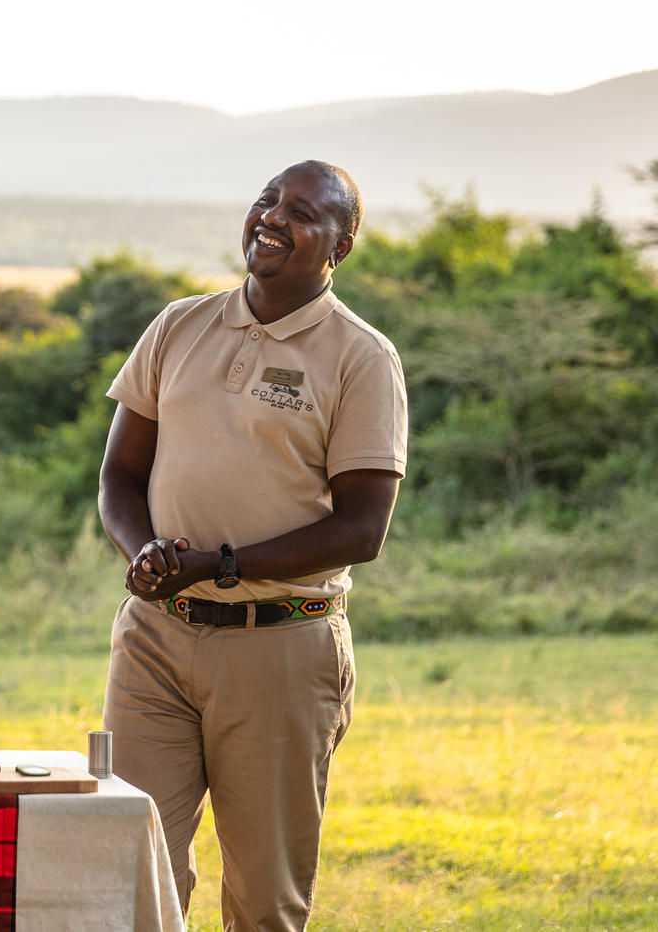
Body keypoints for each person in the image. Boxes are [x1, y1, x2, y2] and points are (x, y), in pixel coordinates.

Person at [97, 160, 408, 932]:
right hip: (156, 643)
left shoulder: (361, 357)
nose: (273, 216)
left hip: (282, 644)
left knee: (264, 901)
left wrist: (222, 566)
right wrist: (145, 555)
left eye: (301, 211)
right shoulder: (179, 324)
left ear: (340, 246)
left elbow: (361, 528)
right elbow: (119, 477)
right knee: (133, 877)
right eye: (268, 199)